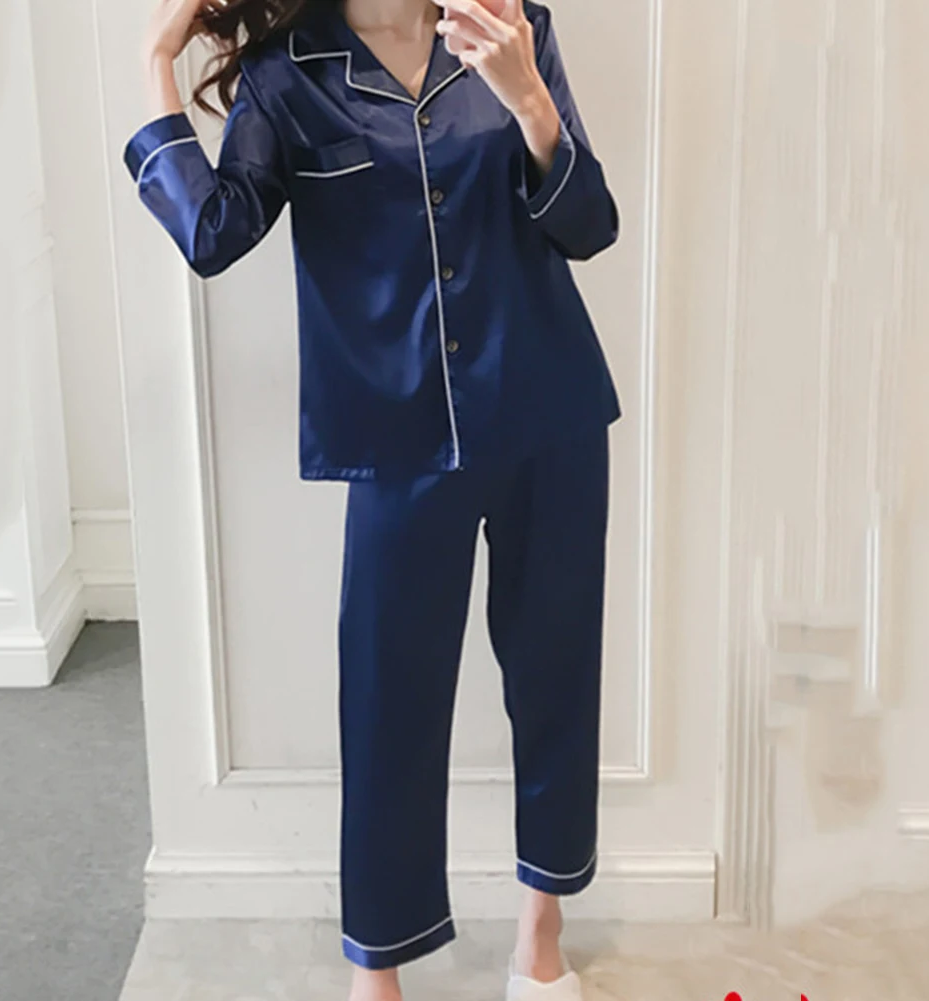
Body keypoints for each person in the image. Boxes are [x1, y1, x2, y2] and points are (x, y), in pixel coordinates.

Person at [123, 0, 621, 997]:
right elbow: (214, 233)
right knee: (388, 704)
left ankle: (541, 933)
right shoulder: (286, 75)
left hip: (547, 409)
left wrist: (527, 98)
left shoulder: (508, 26)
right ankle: (377, 969)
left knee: (555, 679)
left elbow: (589, 227)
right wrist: (156, 60)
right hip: (398, 443)